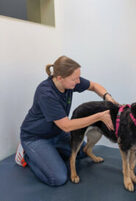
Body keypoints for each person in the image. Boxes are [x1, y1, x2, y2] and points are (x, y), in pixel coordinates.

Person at [15, 55, 118, 186]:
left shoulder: (70, 82)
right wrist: (98, 116)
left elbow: (93, 86)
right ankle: (27, 154)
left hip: (56, 132)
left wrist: (107, 97)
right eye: (74, 79)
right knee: (58, 178)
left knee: (81, 152)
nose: (78, 82)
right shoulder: (46, 93)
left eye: (78, 77)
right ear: (59, 78)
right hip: (35, 137)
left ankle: (50, 152)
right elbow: (66, 126)